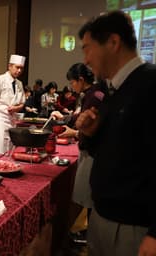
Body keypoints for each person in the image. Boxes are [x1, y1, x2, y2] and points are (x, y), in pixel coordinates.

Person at [75, 10, 156, 256]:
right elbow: (109, 152)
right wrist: (89, 134)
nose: (86, 60)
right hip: (103, 218)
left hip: (134, 227)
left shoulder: (150, 84)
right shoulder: (114, 90)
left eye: (88, 48)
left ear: (113, 42)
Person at [57, 63, 105, 245]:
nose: (72, 87)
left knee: (90, 197)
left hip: (92, 152)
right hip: (91, 150)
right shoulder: (93, 93)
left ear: (81, 80)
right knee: (89, 197)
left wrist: (74, 133)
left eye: (72, 82)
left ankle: (90, 235)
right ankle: (89, 232)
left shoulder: (94, 95)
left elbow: (91, 126)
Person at [0, 54, 26, 157]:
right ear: (9, 66)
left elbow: (22, 103)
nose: (19, 71)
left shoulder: (19, 84)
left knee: (9, 151)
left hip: (12, 121)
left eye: (21, 68)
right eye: (17, 67)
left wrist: (16, 108)